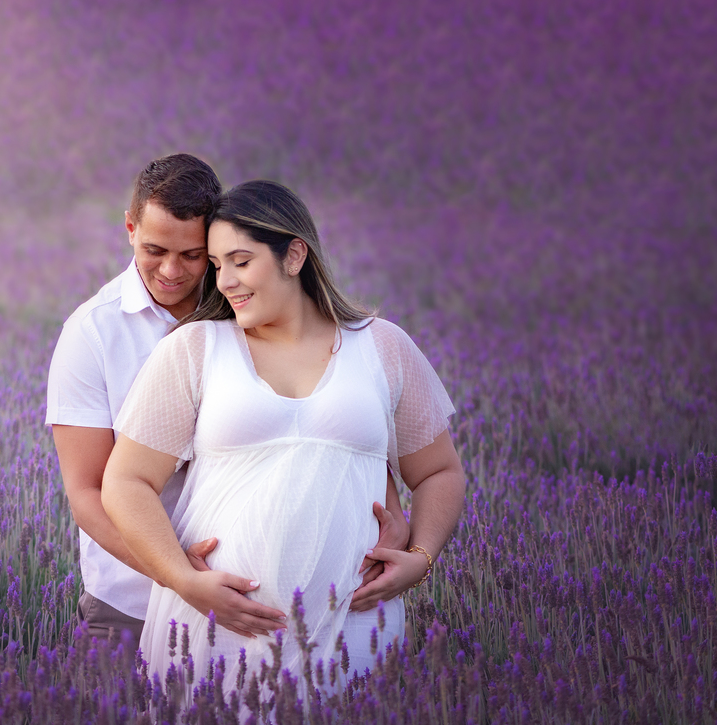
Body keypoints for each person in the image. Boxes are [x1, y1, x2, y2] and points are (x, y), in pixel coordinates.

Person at [102, 180, 465, 690]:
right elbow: (125, 482)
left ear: (294, 255)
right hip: (218, 626)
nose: (225, 280)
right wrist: (185, 582)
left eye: (241, 261)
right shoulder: (195, 348)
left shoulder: (382, 346)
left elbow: (439, 472)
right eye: (217, 264)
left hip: (354, 622)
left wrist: (421, 559)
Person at [47, 160, 412, 655]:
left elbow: (320, 431)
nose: (172, 271)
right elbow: (89, 491)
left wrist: (392, 520)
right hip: (132, 604)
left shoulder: (252, 310)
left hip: (281, 613)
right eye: (154, 250)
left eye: (195, 256)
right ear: (130, 228)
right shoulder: (93, 333)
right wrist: (180, 576)